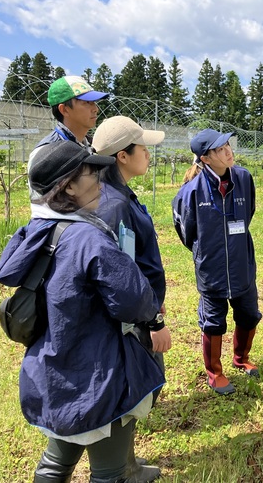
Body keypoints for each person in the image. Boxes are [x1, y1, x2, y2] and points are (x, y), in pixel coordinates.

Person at [0, 141, 165, 482]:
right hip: (97, 374)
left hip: (53, 368)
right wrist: (155, 317)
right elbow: (132, 300)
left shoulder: (38, 229)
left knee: (55, 463)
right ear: (69, 186)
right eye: (92, 173)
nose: (100, 180)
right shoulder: (88, 238)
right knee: (109, 473)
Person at [92, 115, 171, 480]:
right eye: (143, 148)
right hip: (128, 319)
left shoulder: (120, 195)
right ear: (122, 156)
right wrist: (150, 318)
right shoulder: (114, 206)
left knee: (138, 390)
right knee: (131, 390)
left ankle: (128, 463)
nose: (148, 155)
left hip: (139, 309)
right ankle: (118, 469)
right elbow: (120, 274)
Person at [172, 129, 262, 396]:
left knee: (249, 315)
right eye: (220, 149)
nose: (228, 151)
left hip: (241, 265)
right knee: (213, 322)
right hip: (211, 270)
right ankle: (215, 373)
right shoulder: (191, 191)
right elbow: (186, 232)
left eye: (227, 145)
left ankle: (241, 358)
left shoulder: (244, 178)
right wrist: (207, 251)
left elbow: (249, 214)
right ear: (206, 158)